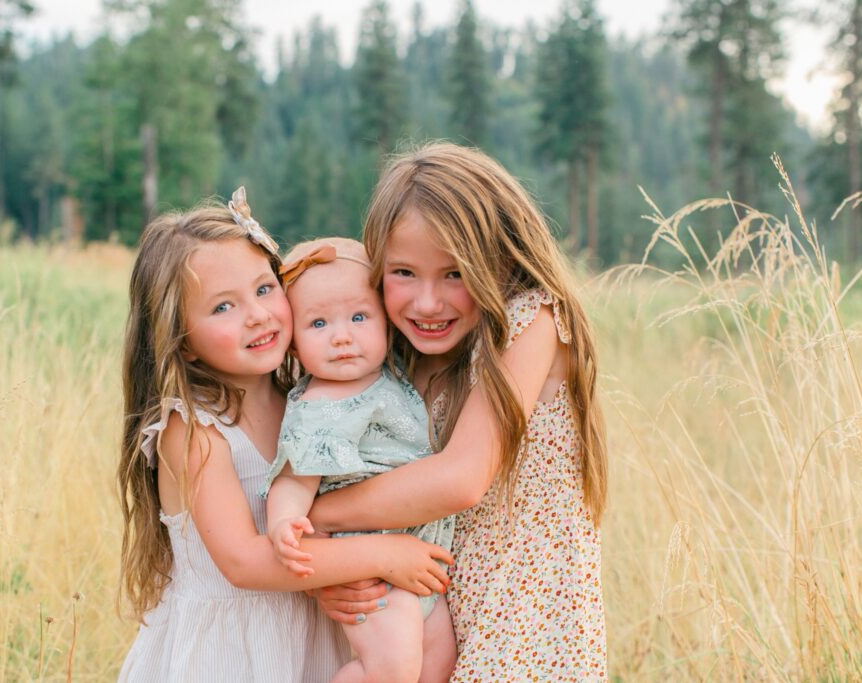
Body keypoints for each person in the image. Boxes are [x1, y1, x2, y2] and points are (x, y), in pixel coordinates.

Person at [116, 189, 453, 683]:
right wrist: (384, 555)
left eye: (263, 289)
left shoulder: (305, 400)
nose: (257, 314)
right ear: (182, 344)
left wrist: (324, 582)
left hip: (305, 638)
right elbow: (246, 561)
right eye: (223, 307)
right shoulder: (193, 430)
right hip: (231, 651)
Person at [307, 144, 609, 681]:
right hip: (432, 618)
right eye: (404, 272)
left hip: (525, 622)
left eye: (454, 273)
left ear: (500, 258)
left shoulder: (531, 318)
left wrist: (318, 520)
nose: (427, 303)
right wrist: (342, 568)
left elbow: (462, 479)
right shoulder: (399, 356)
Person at [260, 237, 456, 683]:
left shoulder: (388, 373)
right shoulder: (321, 404)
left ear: (386, 321)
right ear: (292, 343)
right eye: (319, 323)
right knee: (391, 672)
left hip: (418, 560)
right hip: (371, 566)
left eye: (360, 317)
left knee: (439, 665)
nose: (342, 336)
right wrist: (284, 522)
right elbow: (294, 475)